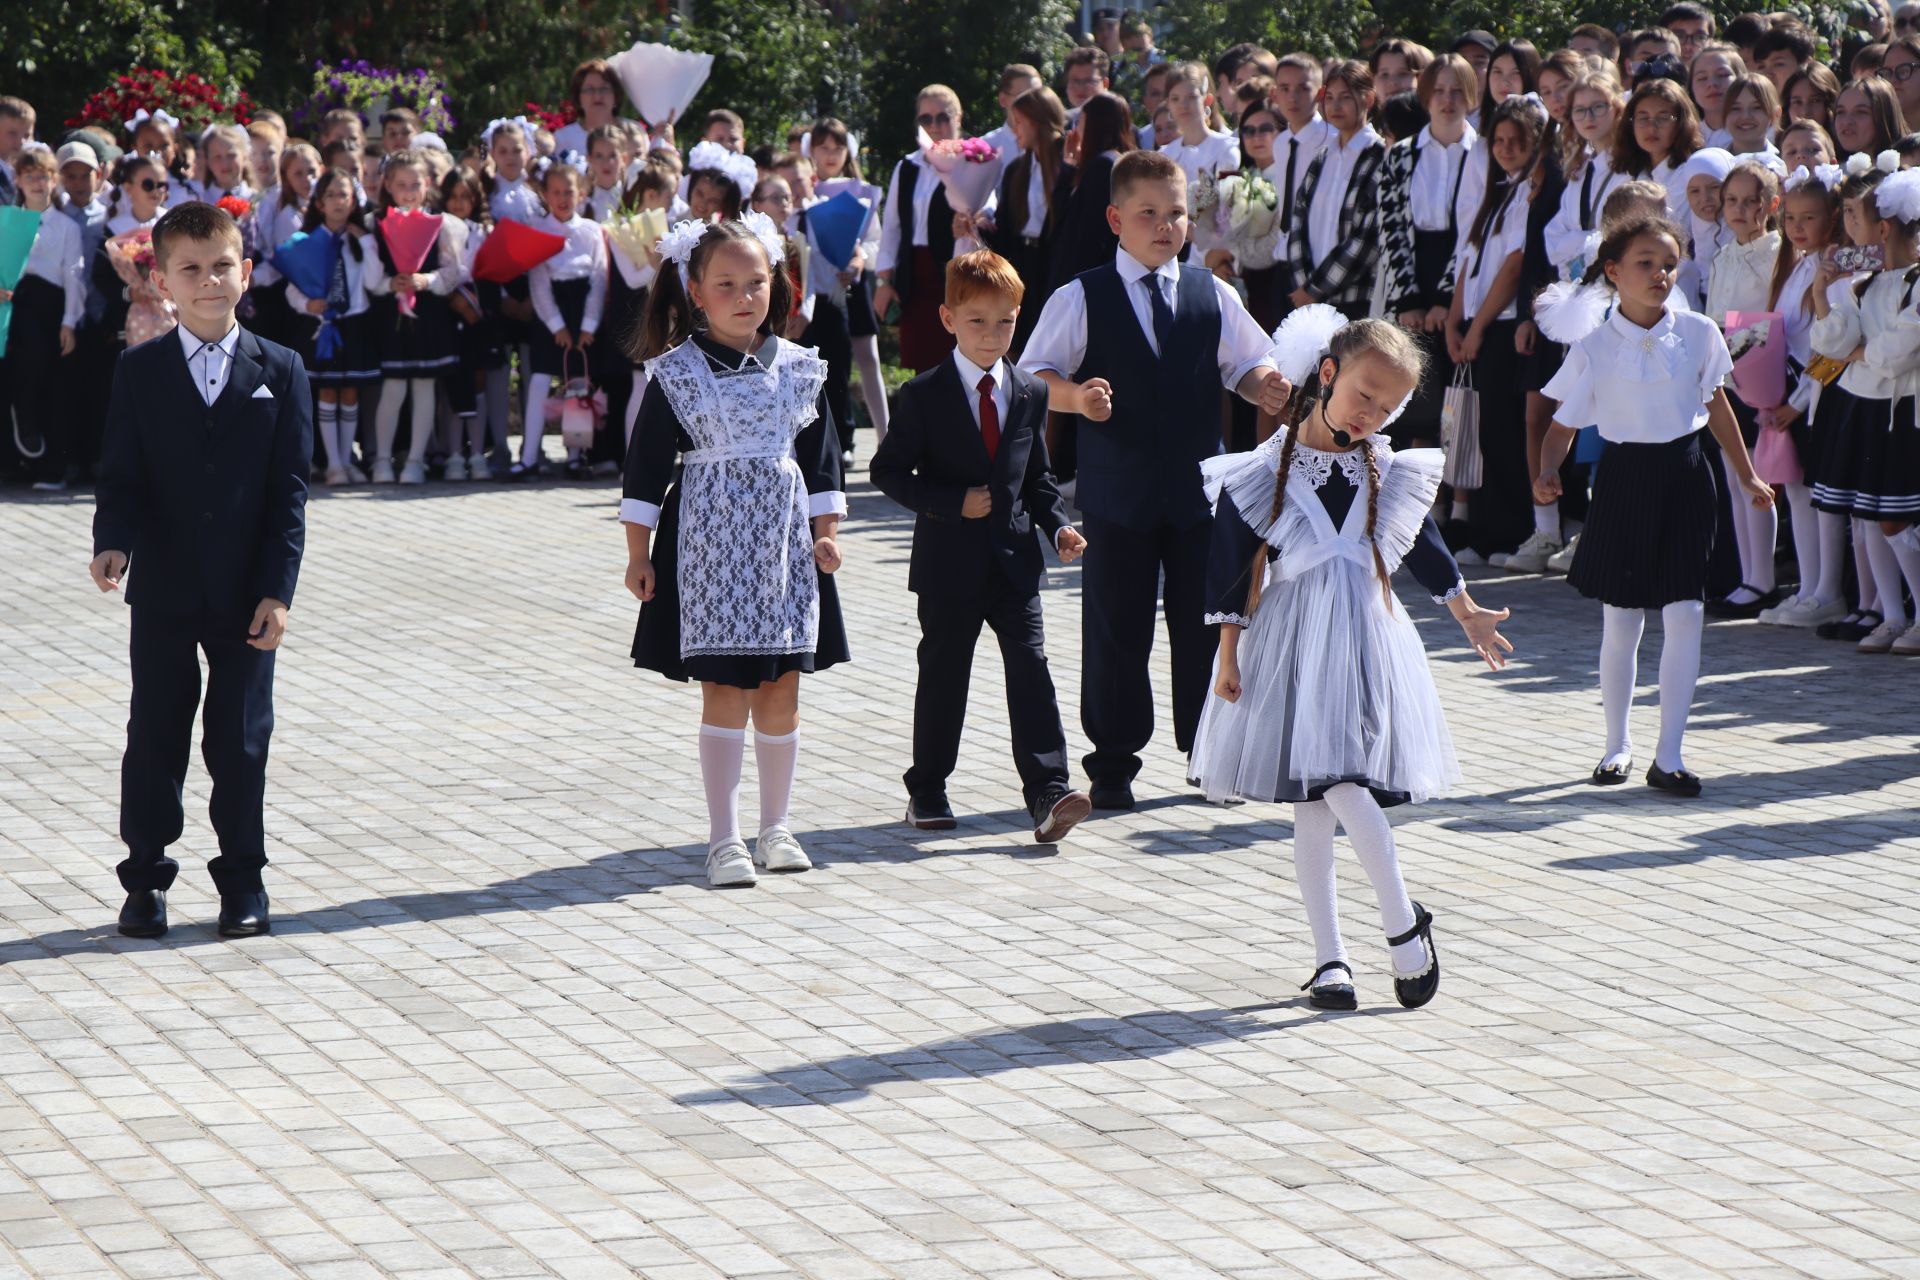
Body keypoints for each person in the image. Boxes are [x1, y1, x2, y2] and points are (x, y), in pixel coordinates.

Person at [1191, 311, 1511, 1012]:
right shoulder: (1261, 471)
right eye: (1365, 394)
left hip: (1367, 639)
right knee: (1317, 797)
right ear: (1328, 374)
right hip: (1293, 642)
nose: (1372, 413)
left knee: (1337, 781)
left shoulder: (1385, 468)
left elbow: (1421, 544)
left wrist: (1467, 613)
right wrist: (1228, 655)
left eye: (1389, 406)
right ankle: (1338, 956)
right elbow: (1232, 568)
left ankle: (1398, 928)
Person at [1018, 149, 1292, 808]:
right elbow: (1031, 377)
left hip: (1201, 494)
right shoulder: (1081, 295)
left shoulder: (1211, 292)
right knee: (1116, 627)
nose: (1165, 226)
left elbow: (1248, 364)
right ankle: (1112, 765)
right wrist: (1077, 397)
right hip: (1118, 494)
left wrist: (1268, 387)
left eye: (1175, 214)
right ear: (1116, 218)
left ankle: (1212, 755)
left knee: (1209, 623)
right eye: (1149, 214)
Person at [89, 202, 313, 940]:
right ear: (163, 282)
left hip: (247, 592)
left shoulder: (280, 370)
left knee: (241, 739)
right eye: (191, 269)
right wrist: (113, 540)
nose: (209, 281)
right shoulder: (140, 371)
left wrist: (278, 591)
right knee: (155, 731)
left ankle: (242, 882)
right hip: (165, 590)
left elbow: (289, 494)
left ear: (245, 273)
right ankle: (145, 880)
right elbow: (120, 474)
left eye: (222, 266)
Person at [621, 216, 846, 887]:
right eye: (727, 285)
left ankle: (776, 827)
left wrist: (826, 535)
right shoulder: (679, 374)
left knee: (781, 690)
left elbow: (824, 460)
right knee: (723, 688)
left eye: (756, 283)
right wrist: (639, 553)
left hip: (783, 549)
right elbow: (644, 469)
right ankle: (724, 840)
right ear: (696, 291)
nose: (744, 296)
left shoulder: (801, 368)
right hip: (708, 546)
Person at [1534, 214, 1773, 795]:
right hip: (1623, 479)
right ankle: (1617, 745)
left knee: (1686, 613)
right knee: (1622, 618)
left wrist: (1747, 475)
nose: (1660, 273)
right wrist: (1545, 470)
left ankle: (1671, 754)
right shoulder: (1594, 339)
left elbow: (1716, 406)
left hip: (1688, 475)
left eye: (1668, 263)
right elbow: (1563, 419)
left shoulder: (1698, 332)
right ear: (1613, 272)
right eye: (1645, 263)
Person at [869, 249, 1093, 842]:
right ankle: (928, 788)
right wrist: (949, 502)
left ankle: (1047, 790)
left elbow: (1037, 477)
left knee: (1032, 670)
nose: (992, 335)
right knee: (945, 674)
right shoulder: (922, 394)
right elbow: (887, 472)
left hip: (1015, 562)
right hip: (947, 567)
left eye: (1006, 321)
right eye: (977, 322)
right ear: (947, 319)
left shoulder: (1029, 392)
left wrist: (1058, 526)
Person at [1808, 159, 1920, 653]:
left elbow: (1897, 352)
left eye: (1855, 216)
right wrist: (1821, 292)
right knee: (1872, 515)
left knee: (1896, 515)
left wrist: (1861, 353)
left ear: (1884, 226)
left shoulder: (1916, 282)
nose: (1849, 228)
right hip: (1869, 407)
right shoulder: (1865, 283)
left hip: (1907, 410)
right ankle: (1893, 616)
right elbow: (1832, 342)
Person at [1444, 96, 1547, 562]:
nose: (1506, 149)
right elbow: (1470, 261)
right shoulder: (1497, 192)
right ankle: (1484, 531)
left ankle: (1507, 532)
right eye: (1499, 141)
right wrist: (1454, 320)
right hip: (1474, 325)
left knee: (1503, 434)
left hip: (1501, 326)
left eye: (1516, 141)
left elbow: (1512, 268)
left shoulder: (1531, 195)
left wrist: (1478, 327)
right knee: (1481, 431)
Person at [1758, 162, 1851, 627]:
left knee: (1820, 494)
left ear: (1832, 216)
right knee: (1796, 491)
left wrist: (1796, 402)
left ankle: (1828, 590)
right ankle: (1809, 587)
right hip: (1790, 394)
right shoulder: (1795, 266)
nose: (1797, 227)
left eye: (1808, 217)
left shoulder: (1832, 270)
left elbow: (1833, 343)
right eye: (1790, 217)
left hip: (1820, 393)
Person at [1379, 53, 1479, 448]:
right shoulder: (1400, 154)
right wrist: (1410, 299)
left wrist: (1445, 299)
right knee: (1412, 392)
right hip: (1412, 274)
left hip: (1463, 280)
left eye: (1457, 91)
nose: (1447, 100)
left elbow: (1475, 230)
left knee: (1458, 393)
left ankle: (1458, 497)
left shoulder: (1483, 154)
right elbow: (1392, 227)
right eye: (1438, 90)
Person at [1705, 161, 1786, 616]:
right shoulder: (1723, 253)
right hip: (1726, 378)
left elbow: (1775, 316)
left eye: (1749, 201)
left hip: (1759, 373)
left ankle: (1763, 579)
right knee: (1737, 478)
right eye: (1730, 200)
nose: (1738, 210)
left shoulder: (1777, 253)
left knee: (1757, 480)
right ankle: (1746, 575)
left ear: (1770, 205)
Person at [364, 148, 466, 484]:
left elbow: (453, 271)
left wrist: (426, 280)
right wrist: (388, 283)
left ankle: (416, 461)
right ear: (388, 186)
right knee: (393, 388)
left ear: (428, 185)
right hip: (392, 313)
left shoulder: (442, 225)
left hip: (428, 313)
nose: (409, 191)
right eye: (401, 184)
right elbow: (370, 278)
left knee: (424, 387)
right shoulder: (375, 224)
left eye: (416, 184)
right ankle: (382, 459)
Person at [514, 156, 608, 480]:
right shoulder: (538, 230)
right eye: (555, 192)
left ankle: (576, 455)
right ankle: (528, 457)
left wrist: (587, 326)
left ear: (581, 193)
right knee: (539, 381)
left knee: (577, 386)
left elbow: (599, 279)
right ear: (545, 194)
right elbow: (538, 283)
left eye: (568, 191)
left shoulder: (592, 231)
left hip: (581, 308)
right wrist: (556, 325)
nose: (562, 198)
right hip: (550, 313)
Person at [287, 168, 378, 485]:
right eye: (331, 195)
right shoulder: (307, 240)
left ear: (354, 201)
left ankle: (347, 458)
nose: (338, 201)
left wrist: (367, 244)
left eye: (344, 195)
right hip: (323, 325)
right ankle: (334, 463)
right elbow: (292, 287)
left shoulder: (361, 240)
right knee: (327, 391)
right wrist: (306, 304)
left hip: (353, 322)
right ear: (320, 203)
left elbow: (375, 282)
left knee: (350, 391)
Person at [4, 145, 85, 489]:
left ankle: (51, 466)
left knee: (49, 384)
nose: (37, 182)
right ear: (19, 181)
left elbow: (74, 274)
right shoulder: (7, 221)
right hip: (13, 309)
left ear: (54, 181)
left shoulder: (67, 226)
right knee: (14, 380)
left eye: (44, 176)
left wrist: (69, 321)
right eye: (30, 176)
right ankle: (16, 460)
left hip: (48, 309)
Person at [874, 84, 967, 373]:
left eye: (943, 117)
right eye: (926, 119)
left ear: (958, 118)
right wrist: (884, 283)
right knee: (921, 367)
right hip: (913, 279)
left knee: (957, 363)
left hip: (955, 277)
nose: (935, 126)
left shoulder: (973, 161)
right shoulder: (907, 166)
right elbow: (892, 229)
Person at [1287, 61, 1386, 320]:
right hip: (1310, 300)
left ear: (1368, 99)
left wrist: (1315, 288)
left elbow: (1367, 236)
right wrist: (1304, 284)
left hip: (1355, 299)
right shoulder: (1323, 156)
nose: (1335, 106)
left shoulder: (1380, 156)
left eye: (1345, 98)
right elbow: (1298, 222)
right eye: (1329, 98)